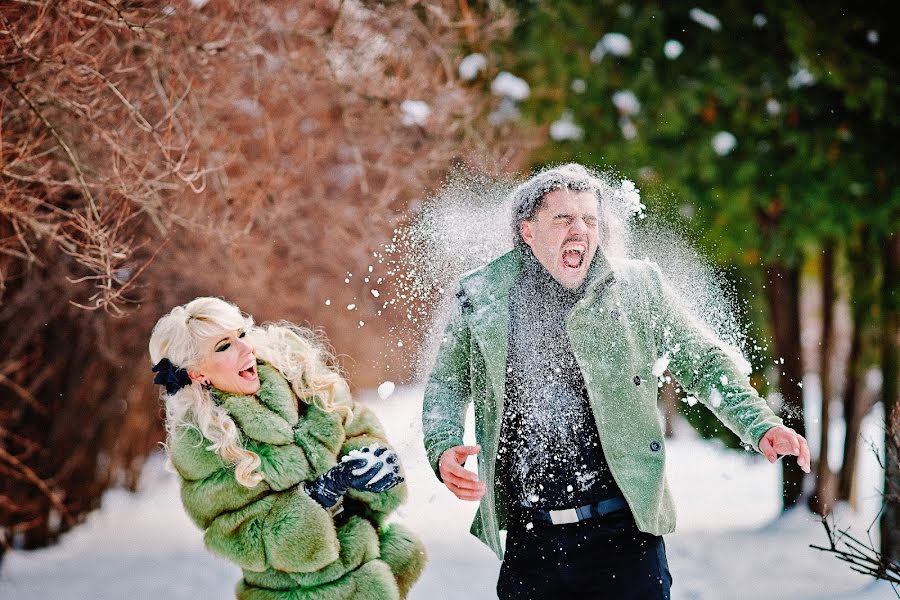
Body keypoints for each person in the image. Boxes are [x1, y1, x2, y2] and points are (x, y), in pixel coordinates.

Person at [422, 163, 811, 599]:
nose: (581, 230)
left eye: (589, 219)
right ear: (528, 232)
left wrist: (760, 423)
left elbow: (704, 363)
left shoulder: (637, 288)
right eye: (563, 218)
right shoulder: (482, 297)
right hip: (533, 544)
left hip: (624, 535)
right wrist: (442, 448)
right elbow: (447, 386)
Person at [149, 297, 425, 600]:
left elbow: (356, 424)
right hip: (296, 592)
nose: (246, 349)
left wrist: (370, 462)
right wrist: (319, 494)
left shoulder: (300, 378)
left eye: (241, 335)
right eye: (224, 346)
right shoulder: (200, 440)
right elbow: (237, 533)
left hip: (370, 562)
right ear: (197, 373)